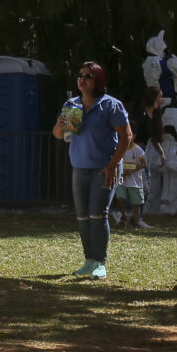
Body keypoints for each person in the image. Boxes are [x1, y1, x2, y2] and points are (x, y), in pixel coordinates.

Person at [51, 61, 132, 280]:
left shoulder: (111, 105)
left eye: (88, 76)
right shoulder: (72, 104)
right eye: (80, 76)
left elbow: (127, 136)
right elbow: (60, 135)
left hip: (104, 168)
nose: (82, 79)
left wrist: (113, 164)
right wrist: (60, 124)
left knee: (98, 214)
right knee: (83, 217)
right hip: (79, 167)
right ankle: (88, 261)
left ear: (98, 80)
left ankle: (100, 262)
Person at [112, 139, 150, 229]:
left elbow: (144, 163)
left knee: (136, 202)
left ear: (135, 135)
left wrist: (132, 170)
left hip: (135, 180)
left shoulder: (138, 150)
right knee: (119, 197)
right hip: (122, 178)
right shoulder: (119, 147)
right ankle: (124, 216)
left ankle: (137, 223)